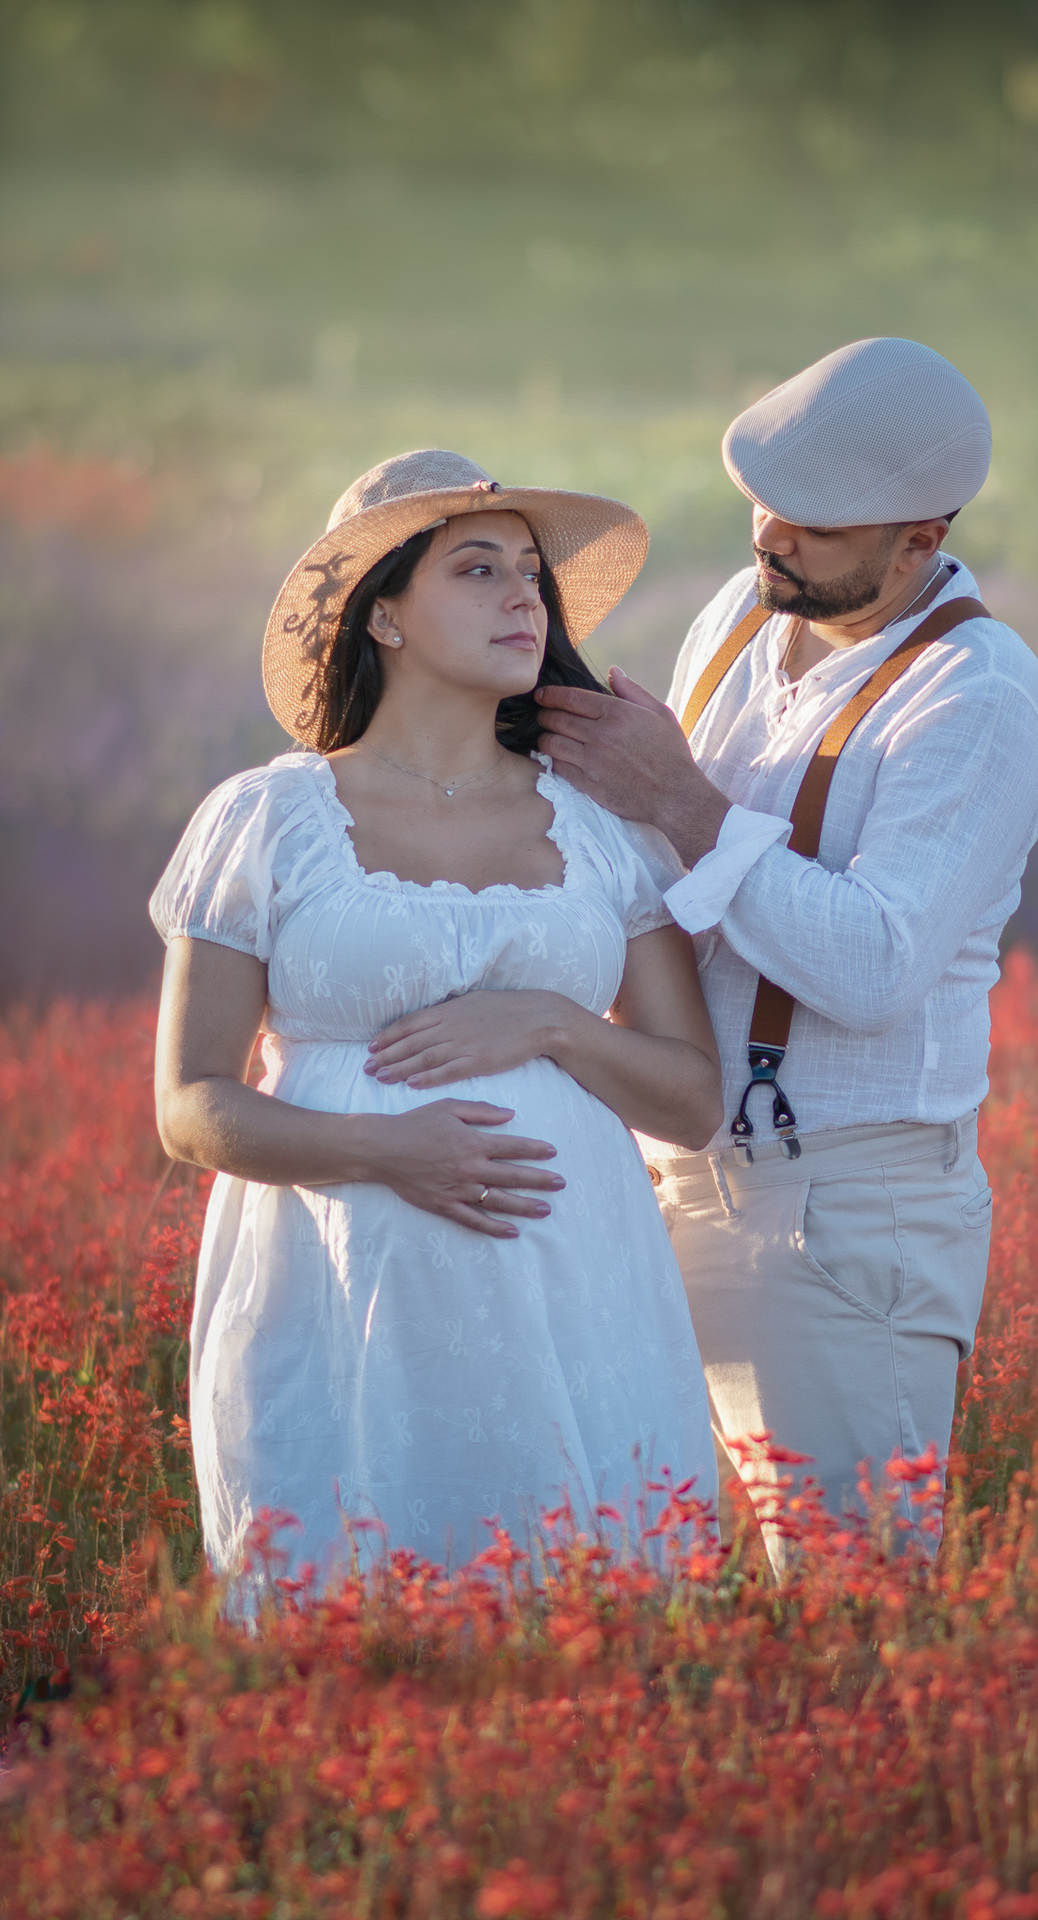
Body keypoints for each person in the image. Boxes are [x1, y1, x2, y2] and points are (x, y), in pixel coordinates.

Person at [522, 337, 1038, 1563]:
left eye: (812, 524)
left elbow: (874, 963)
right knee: (674, 1584)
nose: (771, 536)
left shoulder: (977, 694)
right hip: (667, 1183)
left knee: (848, 1604)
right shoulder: (740, 617)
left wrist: (683, 797)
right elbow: (664, 871)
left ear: (919, 540)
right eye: (764, 501)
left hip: (842, 1210)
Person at [151, 449, 721, 1585]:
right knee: (355, 1620)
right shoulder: (267, 818)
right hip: (343, 1279)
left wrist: (554, 1024)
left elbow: (694, 1101)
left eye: (529, 574)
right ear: (386, 618)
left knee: (577, 1614)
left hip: (576, 1283)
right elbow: (190, 1106)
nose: (524, 597)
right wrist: (381, 1151)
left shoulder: (606, 827)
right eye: (476, 569)